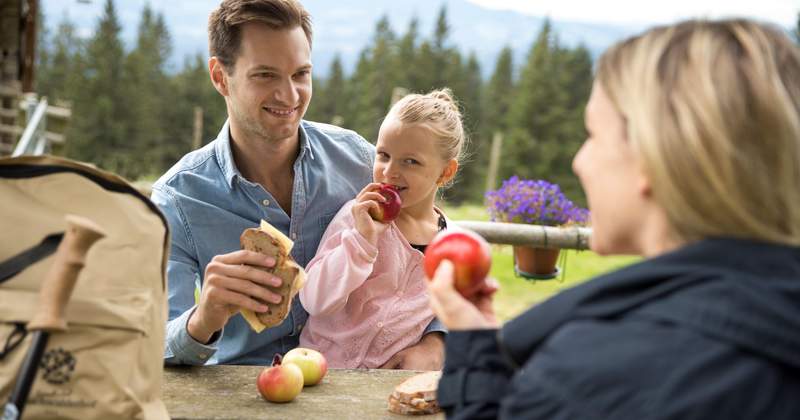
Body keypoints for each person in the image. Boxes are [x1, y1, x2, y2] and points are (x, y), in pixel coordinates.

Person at [428, 19, 800, 419]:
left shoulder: (600, 373)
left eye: (592, 135)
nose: (579, 161)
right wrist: (476, 341)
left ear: (652, 160)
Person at [150, 0, 444, 366]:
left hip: (354, 386)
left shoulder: (358, 161)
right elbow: (154, 345)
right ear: (220, 76)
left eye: (300, 74)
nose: (289, 96)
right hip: (241, 395)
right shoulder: (177, 199)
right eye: (265, 75)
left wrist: (436, 341)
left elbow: (431, 240)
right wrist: (204, 318)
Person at [298, 89, 463, 369]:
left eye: (410, 161)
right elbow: (314, 300)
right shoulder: (357, 218)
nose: (389, 172)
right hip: (325, 375)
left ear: (445, 172)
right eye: (384, 155)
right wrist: (361, 242)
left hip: (391, 386)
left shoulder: (454, 245)